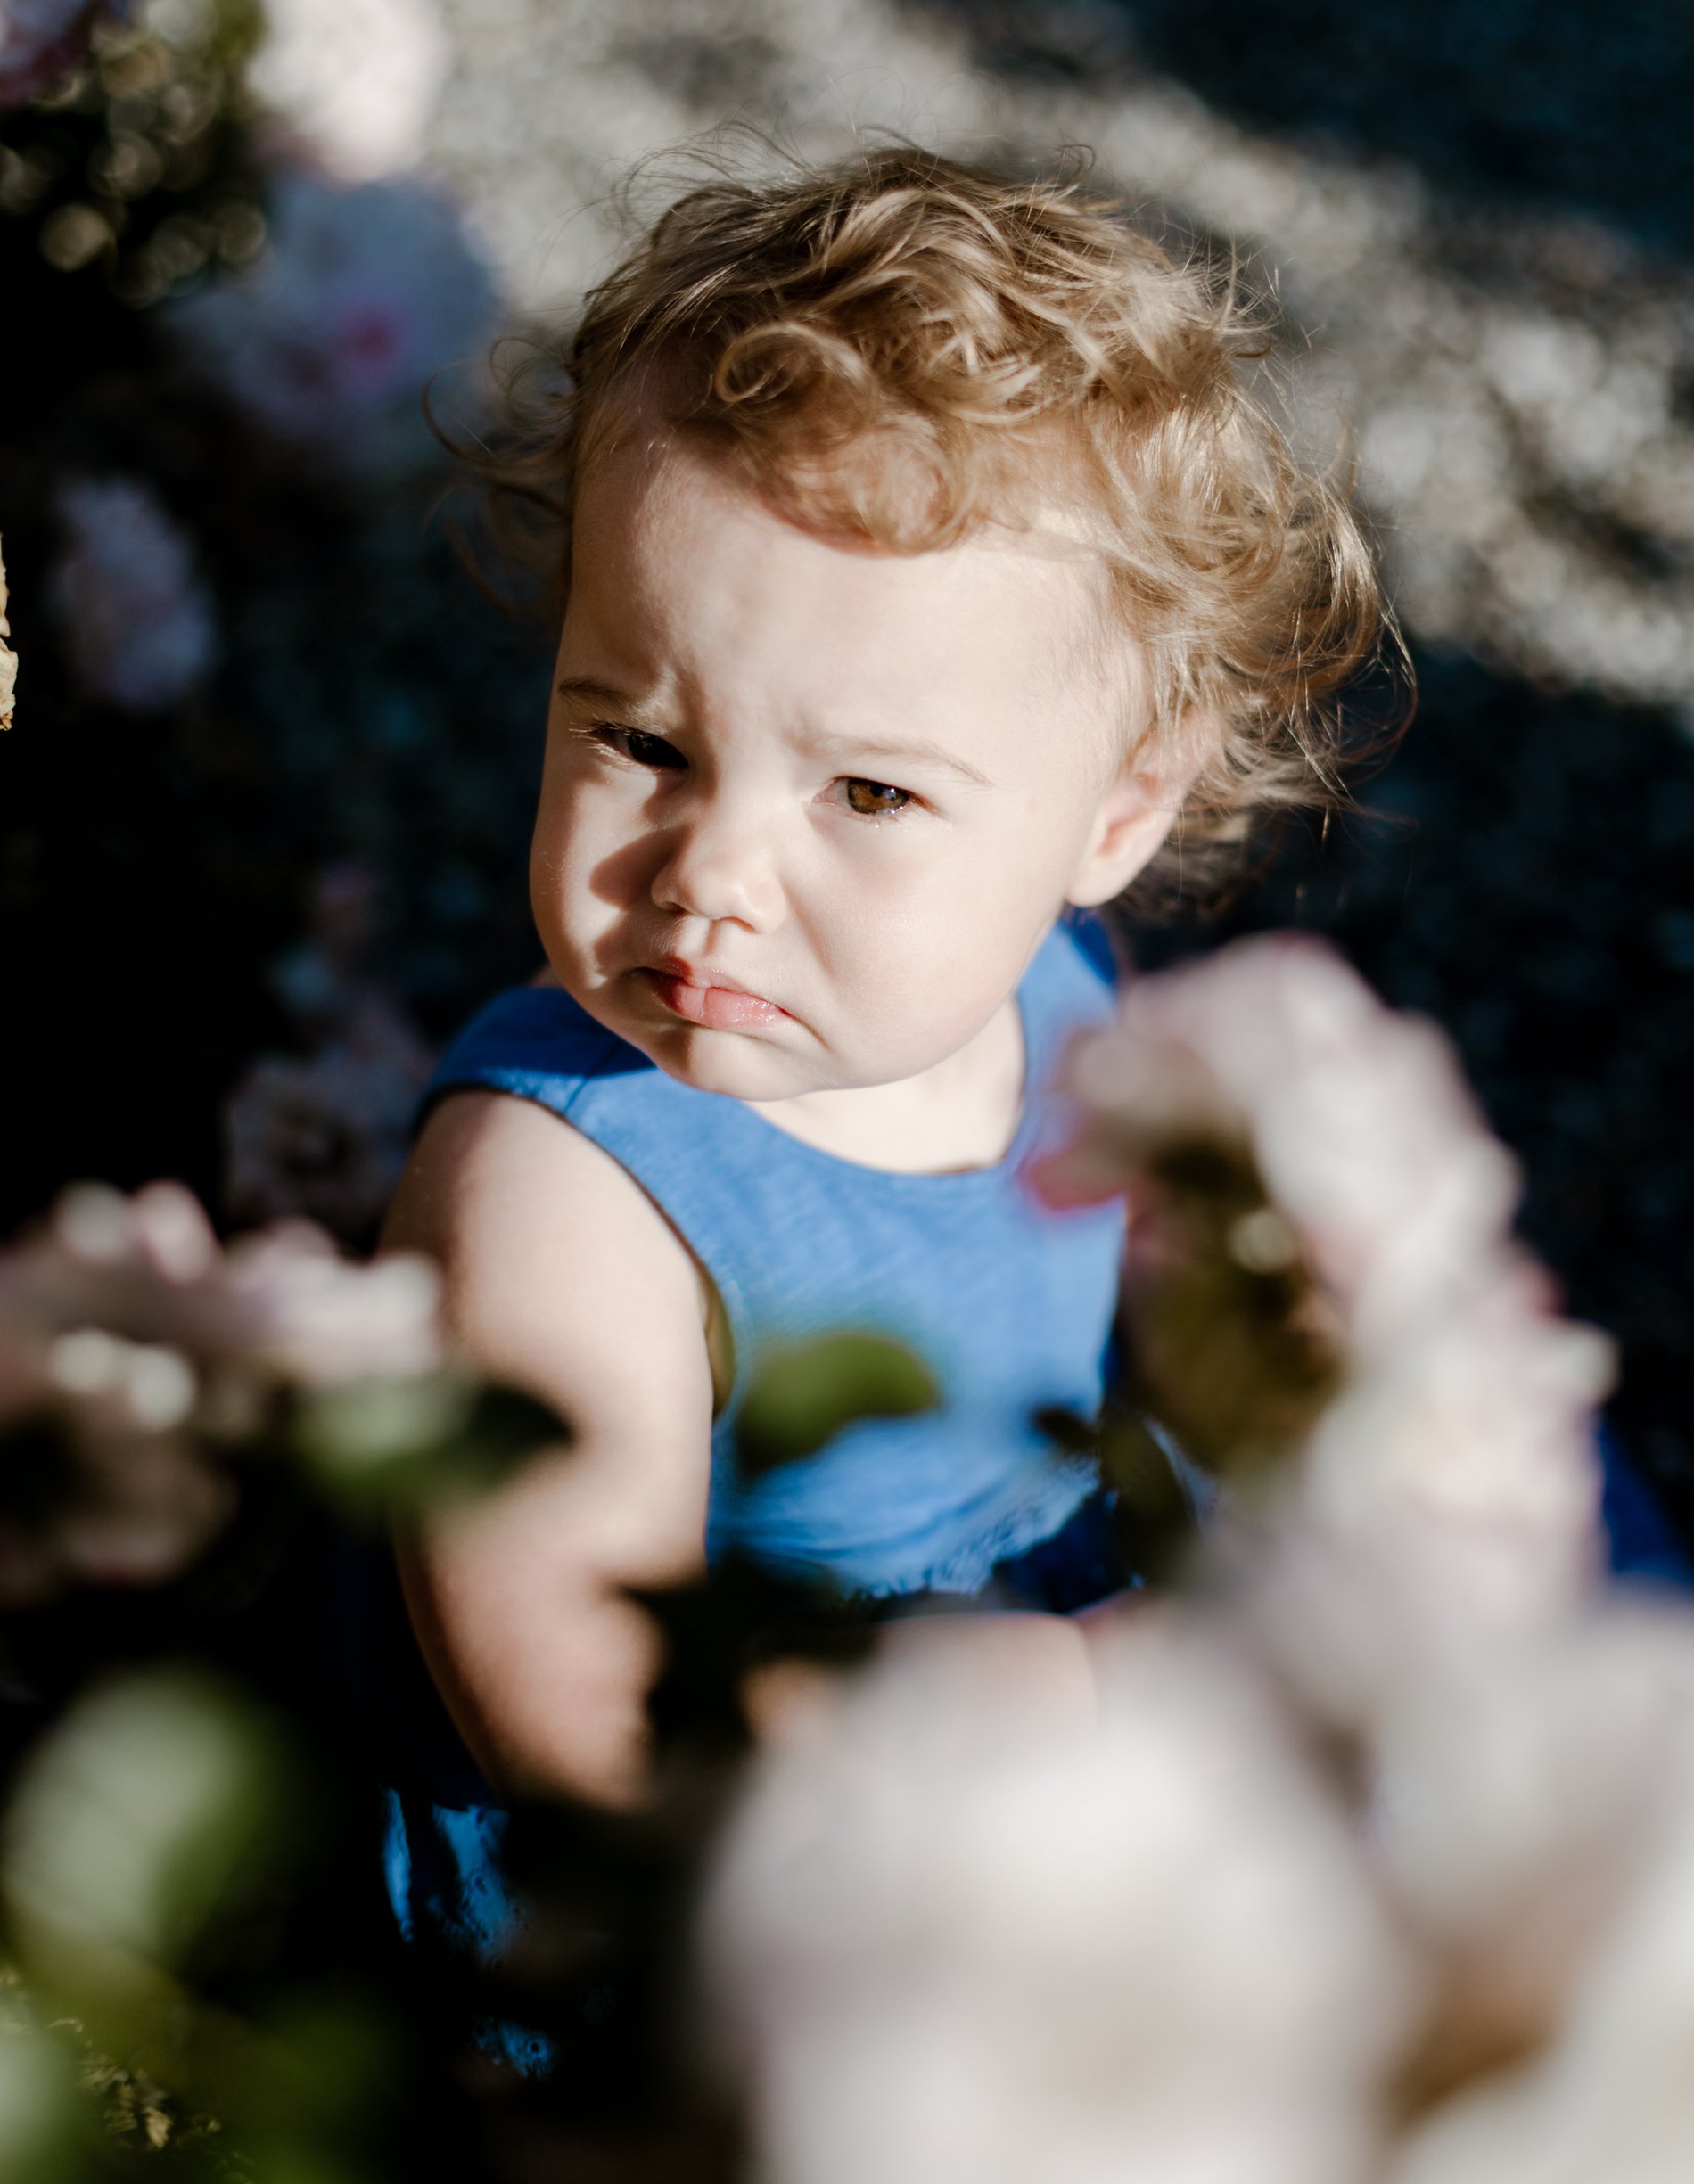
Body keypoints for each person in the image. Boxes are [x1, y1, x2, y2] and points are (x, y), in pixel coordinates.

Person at [367, 147, 1391, 2053]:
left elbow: (1121, 1229)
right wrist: (1085, 1704)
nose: (713, 875)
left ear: (1113, 817)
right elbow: (588, 1716)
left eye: (869, 795)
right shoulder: (559, 1196)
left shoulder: (1057, 988)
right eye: (644, 738)